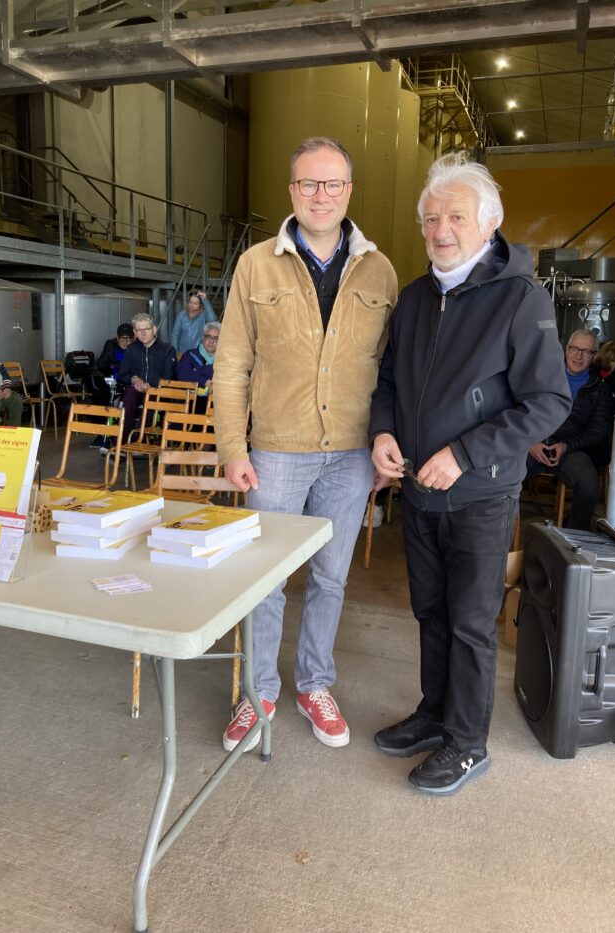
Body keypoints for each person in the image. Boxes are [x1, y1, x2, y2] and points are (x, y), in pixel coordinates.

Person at [369, 151, 571, 796]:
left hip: (481, 492)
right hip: (419, 491)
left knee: (470, 621)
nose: (440, 230)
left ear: (489, 224)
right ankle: (435, 714)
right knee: (429, 610)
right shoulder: (414, 298)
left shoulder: (521, 297)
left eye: (455, 216)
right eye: (430, 218)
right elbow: (388, 382)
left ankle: (466, 743)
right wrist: (382, 433)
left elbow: (550, 402)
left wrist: (463, 453)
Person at [214, 136, 397, 751]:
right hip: (275, 449)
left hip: (349, 453)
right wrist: (233, 450)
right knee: (263, 578)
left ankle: (314, 683)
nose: (321, 195)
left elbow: (388, 369)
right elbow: (232, 362)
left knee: (330, 577)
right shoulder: (255, 265)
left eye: (333, 184)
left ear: (349, 191)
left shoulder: (380, 270)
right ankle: (258, 690)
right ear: (291, 190)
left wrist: (381, 446)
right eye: (309, 184)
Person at [527, 329, 614, 530]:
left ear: (594, 356)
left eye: (586, 351)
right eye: (575, 348)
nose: (579, 355)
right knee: (500, 473)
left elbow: (600, 431)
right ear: (566, 349)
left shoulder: (601, 389)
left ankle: (574, 543)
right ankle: (501, 529)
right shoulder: (543, 377)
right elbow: (523, 410)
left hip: (571, 449)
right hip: (534, 443)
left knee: (589, 486)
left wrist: (567, 446)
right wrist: (530, 443)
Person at [116, 312, 177, 446]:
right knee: (129, 395)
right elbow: (122, 374)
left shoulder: (167, 350)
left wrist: (149, 385)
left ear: (154, 329)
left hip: (158, 391)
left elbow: (169, 377)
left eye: (147, 329)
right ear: (135, 332)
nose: (143, 334)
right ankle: (120, 442)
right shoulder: (131, 350)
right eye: (139, 330)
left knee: (151, 399)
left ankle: (137, 441)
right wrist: (134, 379)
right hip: (136, 389)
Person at [86, 323, 134, 448]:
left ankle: (114, 435)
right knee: (101, 398)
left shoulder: (136, 349)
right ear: (117, 338)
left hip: (128, 383)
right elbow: (101, 364)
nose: (125, 342)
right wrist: (113, 368)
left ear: (133, 338)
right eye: (122, 339)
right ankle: (103, 433)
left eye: (128, 339)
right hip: (112, 381)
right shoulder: (111, 346)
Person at [176, 321, 220, 413]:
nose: (211, 341)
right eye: (208, 337)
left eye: (216, 338)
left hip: (216, 403)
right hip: (191, 401)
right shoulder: (190, 355)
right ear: (203, 338)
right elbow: (182, 375)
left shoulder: (225, 359)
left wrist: (199, 370)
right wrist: (205, 381)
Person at [171, 290, 217, 355]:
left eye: (195, 303)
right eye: (190, 302)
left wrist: (204, 299)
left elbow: (213, 320)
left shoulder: (203, 315)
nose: (192, 305)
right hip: (183, 353)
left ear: (200, 305)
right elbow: (175, 335)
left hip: (199, 353)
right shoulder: (181, 315)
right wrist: (175, 353)